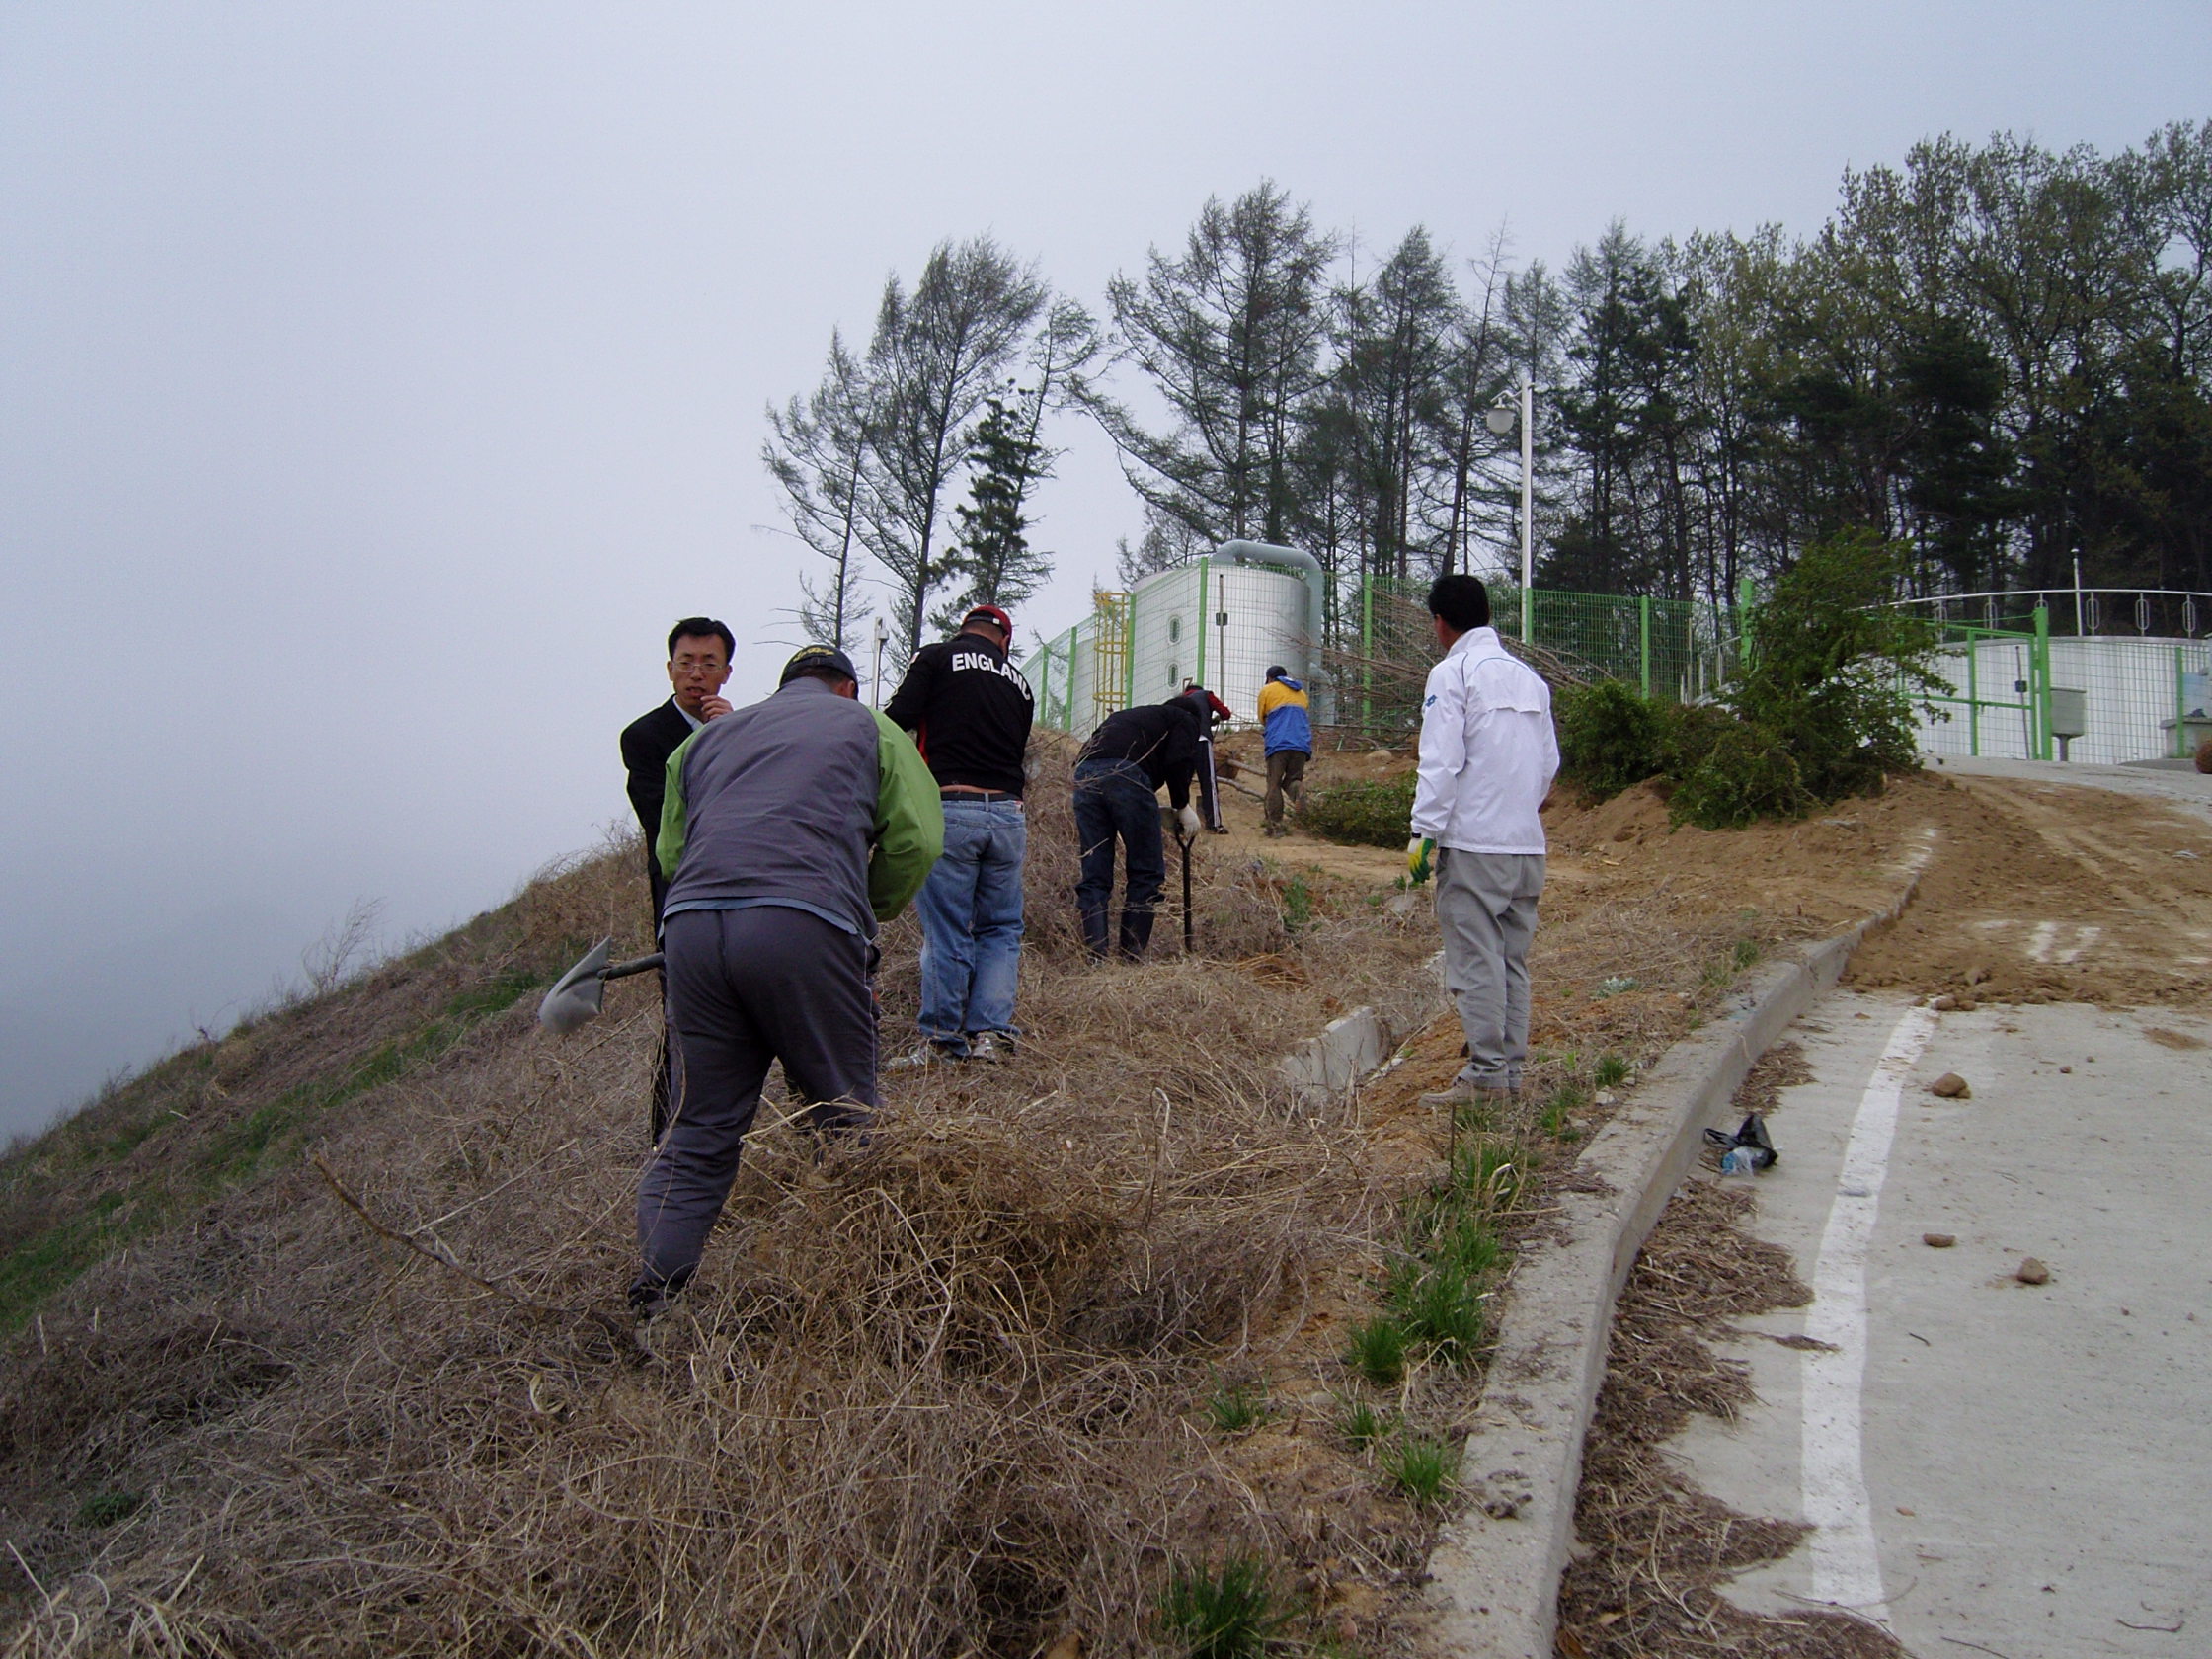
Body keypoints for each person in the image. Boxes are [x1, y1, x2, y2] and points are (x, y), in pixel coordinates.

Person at [631, 645, 943, 1322]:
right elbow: (917, 840)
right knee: (846, 1115)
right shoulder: (864, 723)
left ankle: (656, 1292)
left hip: (690, 929)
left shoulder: (707, 740)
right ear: (846, 687)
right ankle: (873, 1299)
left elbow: (671, 852)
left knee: (702, 1123)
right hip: (802, 921)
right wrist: (868, 906)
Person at [1405, 575, 1558, 1108]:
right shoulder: (1531, 680)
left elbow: (1441, 762)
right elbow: (1547, 766)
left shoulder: (1453, 673)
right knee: (1511, 961)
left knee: (1476, 964)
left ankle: (1487, 1078)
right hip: (1526, 848)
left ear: (1441, 622)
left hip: (1474, 847)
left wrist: (1424, 833)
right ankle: (1509, 1074)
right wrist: (1517, 810)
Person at [883, 603, 1036, 1064]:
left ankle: (942, 1039)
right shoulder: (1020, 685)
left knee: (948, 929)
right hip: (1009, 814)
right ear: (1004, 641)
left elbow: (894, 723)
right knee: (1001, 928)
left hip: (951, 806)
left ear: (964, 630)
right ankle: (990, 1034)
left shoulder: (936, 658)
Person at [619, 617, 736, 1144]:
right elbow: (661, 816)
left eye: (708, 664)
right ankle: (665, 1137)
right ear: (669, 669)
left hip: (740, 895)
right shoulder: (644, 737)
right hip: (680, 897)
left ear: (727, 673)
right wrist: (712, 744)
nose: (696, 675)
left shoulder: (740, 728)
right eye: (686, 663)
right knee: (683, 1020)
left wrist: (730, 735)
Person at [1072, 688, 1218, 961]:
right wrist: (1182, 805)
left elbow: (1099, 760)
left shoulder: (1136, 717)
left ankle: (1095, 957)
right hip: (1126, 774)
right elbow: (1178, 761)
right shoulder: (1184, 719)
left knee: (1095, 872)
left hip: (1085, 776)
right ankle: (1131, 957)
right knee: (1146, 872)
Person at [1254, 665, 1313, 836]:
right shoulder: (1301, 693)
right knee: (1292, 780)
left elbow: (1262, 717)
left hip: (1279, 743)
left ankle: (1275, 826)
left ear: (1270, 678)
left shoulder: (1268, 690)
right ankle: (1299, 791)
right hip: (1301, 744)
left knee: (1274, 784)